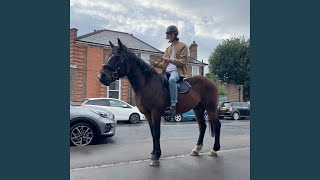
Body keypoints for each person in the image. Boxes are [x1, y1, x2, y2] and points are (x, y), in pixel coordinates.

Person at [150, 25, 188, 116]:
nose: (169, 36)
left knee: (172, 80)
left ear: (175, 34)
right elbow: (163, 65)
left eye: (171, 34)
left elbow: (183, 62)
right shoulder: (168, 49)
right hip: (166, 71)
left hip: (177, 71)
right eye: (168, 34)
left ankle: (173, 105)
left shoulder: (183, 46)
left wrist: (169, 60)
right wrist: (154, 63)